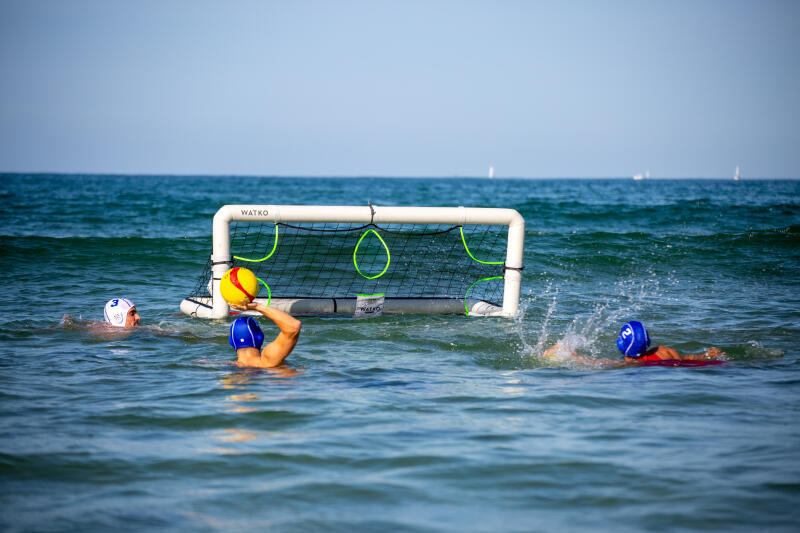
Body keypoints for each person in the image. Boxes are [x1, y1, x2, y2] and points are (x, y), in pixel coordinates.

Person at [543, 320, 725, 364]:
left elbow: (592, 363)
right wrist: (706, 355)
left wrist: (567, 352)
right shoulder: (664, 352)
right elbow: (687, 359)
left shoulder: (624, 366)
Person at [228, 301, 301, 368]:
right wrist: (257, 307)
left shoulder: (225, 365)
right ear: (260, 337)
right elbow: (293, 327)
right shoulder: (268, 361)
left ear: (231, 342)